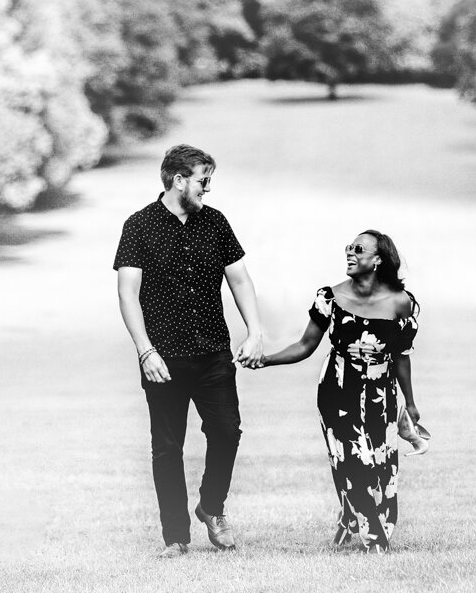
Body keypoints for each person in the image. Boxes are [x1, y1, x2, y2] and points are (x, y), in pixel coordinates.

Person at [114, 144, 264, 559]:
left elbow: (240, 281)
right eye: (202, 180)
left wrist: (254, 331)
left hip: (213, 352)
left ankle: (211, 507)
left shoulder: (214, 223)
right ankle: (175, 537)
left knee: (227, 432)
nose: (207, 189)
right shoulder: (139, 226)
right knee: (166, 447)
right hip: (163, 359)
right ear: (179, 180)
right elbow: (128, 294)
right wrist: (146, 352)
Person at [243, 230, 420, 553]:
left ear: (378, 259)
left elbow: (401, 357)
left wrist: (410, 403)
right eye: (348, 248)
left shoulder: (400, 303)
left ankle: (350, 517)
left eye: (359, 249)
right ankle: (374, 537)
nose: (350, 253)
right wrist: (265, 360)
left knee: (380, 466)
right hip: (338, 389)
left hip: (381, 395)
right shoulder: (329, 298)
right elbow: (305, 345)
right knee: (353, 460)